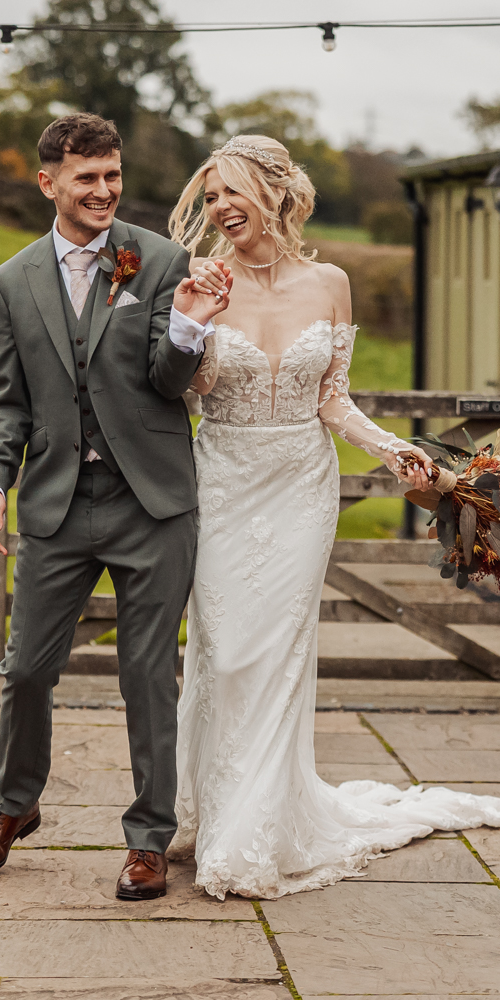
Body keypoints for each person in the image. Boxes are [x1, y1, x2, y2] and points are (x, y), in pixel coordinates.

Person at [168, 134, 500, 899]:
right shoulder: (198, 279)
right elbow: (190, 390)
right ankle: (202, 809)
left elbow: (330, 398)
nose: (219, 207)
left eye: (233, 191)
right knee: (222, 652)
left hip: (299, 485)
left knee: (280, 653)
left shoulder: (330, 282)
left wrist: (394, 451)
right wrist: (202, 318)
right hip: (222, 478)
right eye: (211, 194)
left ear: (276, 193)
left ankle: (252, 831)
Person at [0, 113, 230, 900]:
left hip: (151, 502)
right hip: (57, 506)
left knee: (148, 674)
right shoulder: (11, 281)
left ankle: (147, 837)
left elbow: (170, 382)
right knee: (26, 669)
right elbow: (7, 401)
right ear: (49, 183)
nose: (105, 190)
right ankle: (12, 808)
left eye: (113, 175)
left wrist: (186, 329)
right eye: (88, 178)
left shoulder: (160, 257)